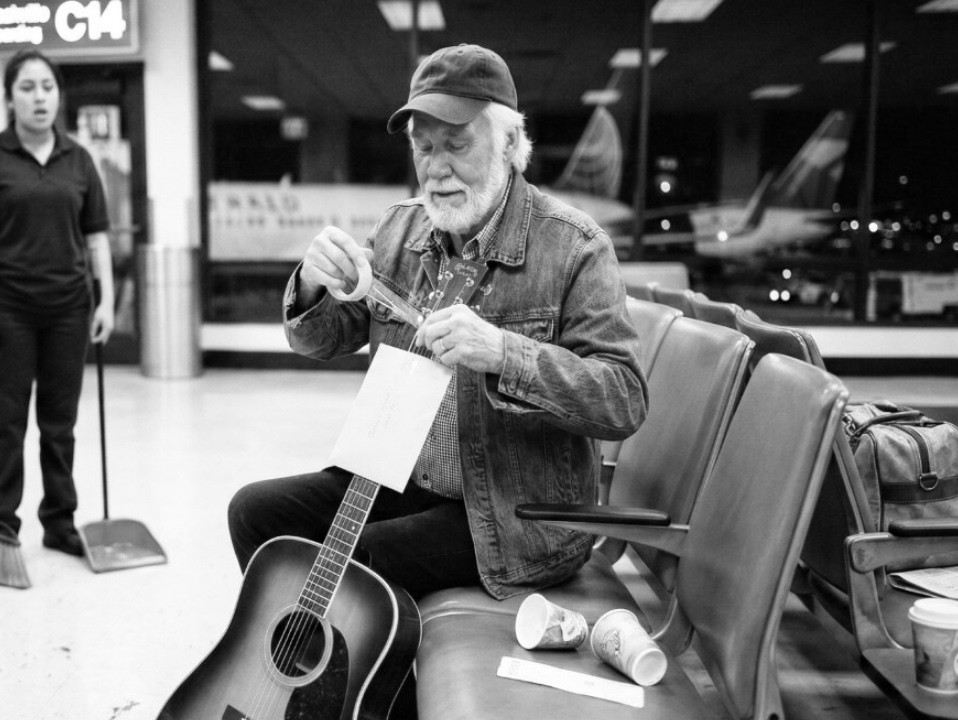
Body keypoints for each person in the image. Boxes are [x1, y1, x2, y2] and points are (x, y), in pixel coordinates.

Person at [228, 43, 647, 601]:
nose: (437, 167)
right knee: (256, 516)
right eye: (423, 147)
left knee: (360, 567)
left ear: (511, 145)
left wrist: (504, 353)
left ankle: (348, 683)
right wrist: (311, 282)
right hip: (402, 475)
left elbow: (623, 400)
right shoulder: (400, 231)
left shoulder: (574, 246)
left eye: (457, 144)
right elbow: (319, 340)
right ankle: (308, 669)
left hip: (512, 510)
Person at [0, 49, 115, 557]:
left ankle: (60, 520)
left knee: (59, 423)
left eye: (47, 86)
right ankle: (1, 519)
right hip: (10, 311)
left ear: (58, 95)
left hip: (70, 308)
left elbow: (96, 238)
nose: (39, 96)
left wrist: (107, 299)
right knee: (6, 420)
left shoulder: (79, 159)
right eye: (27, 87)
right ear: (9, 99)